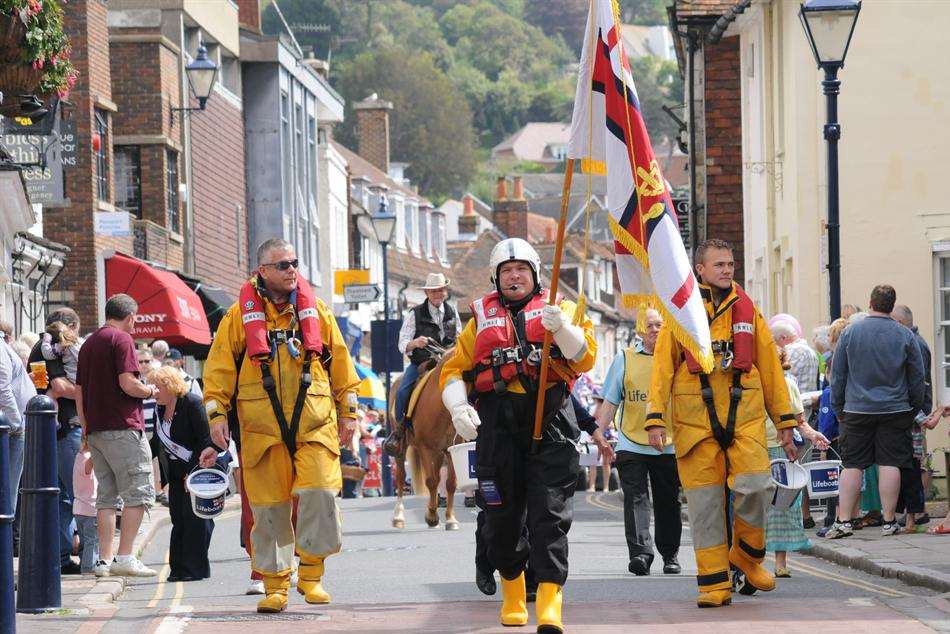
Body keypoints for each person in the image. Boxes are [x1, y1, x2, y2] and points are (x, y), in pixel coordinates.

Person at [439, 237, 606, 632]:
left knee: (550, 516)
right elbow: (454, 370)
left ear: (534, 275)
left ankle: (549, 599)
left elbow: (585, 357)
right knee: (500, 517)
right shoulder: (479, 319)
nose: (514, 277)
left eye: (521, 270)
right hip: (497, 426)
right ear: (496, 278)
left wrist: (563, 330)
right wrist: (458, 406)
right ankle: (513, 593)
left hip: (550, 423)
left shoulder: (560, 309)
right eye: (507, 271)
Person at [203, 238, 359, 613]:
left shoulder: (317, 310)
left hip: (315, 422)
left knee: (321, 493)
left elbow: (342, 366)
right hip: (262, 429)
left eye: (294, 262)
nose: (291, 269)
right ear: (262, 271)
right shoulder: (239, 317)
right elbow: (219, 370)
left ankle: (310, 573)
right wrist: (217, 415)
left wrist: (349, 413)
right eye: (282, 264)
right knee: (269, 509)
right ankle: (275, 585)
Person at [648, 239, 795, 609]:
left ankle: (747, 555)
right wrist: (655, 419)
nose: (727, 270)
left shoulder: (747, 308)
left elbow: (770, 366)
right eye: (719, 265)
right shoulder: (679, 311)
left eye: (730, 264)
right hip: (693, 421)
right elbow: (662, 367)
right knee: (705, 506)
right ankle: (714, 585)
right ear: (700, 269)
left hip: (743, 413)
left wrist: (784, 419)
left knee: (756, 485)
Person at [826, 285, 925, 539]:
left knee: (852, 465)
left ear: (870, 302)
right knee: (889, 463)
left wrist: (838, 408)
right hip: (895, 409)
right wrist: (913, 407)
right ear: (892, 306)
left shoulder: (850, 333)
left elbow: (838, 376)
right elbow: (917, 377)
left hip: (856, 409)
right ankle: (889, 521)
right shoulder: (905, 335)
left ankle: (844, 521)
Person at [76, 294, 158, 577]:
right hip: (123, 428)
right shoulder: (122, 340)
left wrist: (86, 430)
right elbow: (128, 382)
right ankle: (124, 558)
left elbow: (79, 392)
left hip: (96, 430)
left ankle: (104, 560)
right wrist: (149, 391)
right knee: (139, 493)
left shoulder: (87, 344)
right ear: (131, 316)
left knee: (106, 498)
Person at [597, 308, 682, 576]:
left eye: (660, 325)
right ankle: (640, 555)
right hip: (631, 442)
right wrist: (599, 434)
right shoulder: (625, 358)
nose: (656, 329)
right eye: (651, 325)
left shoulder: (677, 359)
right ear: (639, 330)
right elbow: (611, 400)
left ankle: (670, 555)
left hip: (669, 444)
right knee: (636, 498)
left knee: (669, 500)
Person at [150, 365, 218, 581]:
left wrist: (194, 472)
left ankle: (194, 569)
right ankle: (178, 569)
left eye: (157, 386)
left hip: (195, 473)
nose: (154, 391)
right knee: (178, 519)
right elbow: (157, 442)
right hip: (175, 475)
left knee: (195, 522)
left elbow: (205, 440)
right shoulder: (159, 409)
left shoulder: (192, 403)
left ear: (170, 386)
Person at [765, 346, 829, 576]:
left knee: (783, 507)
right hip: (753, 450)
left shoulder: (786, 385)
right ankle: (750, 561)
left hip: (780, 450)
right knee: (758, 507)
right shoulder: (749, 383)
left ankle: (780, 564)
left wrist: (814, 435)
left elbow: (799, 420)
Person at [384, 273, 459, 456]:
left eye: (440, 290)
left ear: (445, 291)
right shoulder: (414, 314)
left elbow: (460, 337)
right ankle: (400, 430)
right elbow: (402, 343)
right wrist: (416, 342)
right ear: (427, 292)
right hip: (421, 363)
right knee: (402, 391)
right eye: (433, 291)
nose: (437, 294)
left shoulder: (452, 312)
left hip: (447, 362)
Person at [892, 304, 933, 530]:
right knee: (910, 466)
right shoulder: (909, 342)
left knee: (915, 466)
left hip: (915, 414)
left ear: (899, 323)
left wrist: (921, 414)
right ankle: (913, 513)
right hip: (913, 413)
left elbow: (919, 383)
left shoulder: (915, 344)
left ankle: (916, 514)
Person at [0, 330, 36, 521]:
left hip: (10, 428)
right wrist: (17, 424)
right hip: (11, 431)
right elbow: (2, 389)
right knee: (7, 495)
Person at [72, 442, 99, 575]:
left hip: (79, 508)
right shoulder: (86, 458)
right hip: (90, 508)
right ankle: (89, 567)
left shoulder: (78, 457)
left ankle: (85, 564)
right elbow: (88, 468)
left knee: (85, 541)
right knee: (92, 541)